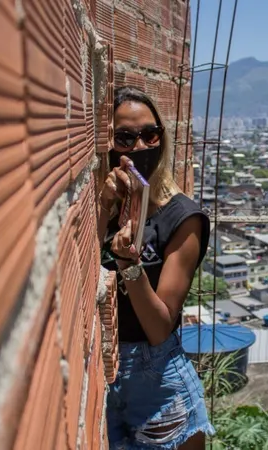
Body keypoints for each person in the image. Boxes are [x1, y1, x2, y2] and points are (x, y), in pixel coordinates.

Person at [100, 86, 213, 449]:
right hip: (105, 372)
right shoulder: (103, 204)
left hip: (156, 376)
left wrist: (129, 265)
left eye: (150, 135)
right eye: (125, 138)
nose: (140, 147)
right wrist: (104, 206)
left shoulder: (182, 217)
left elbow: (161, 327)